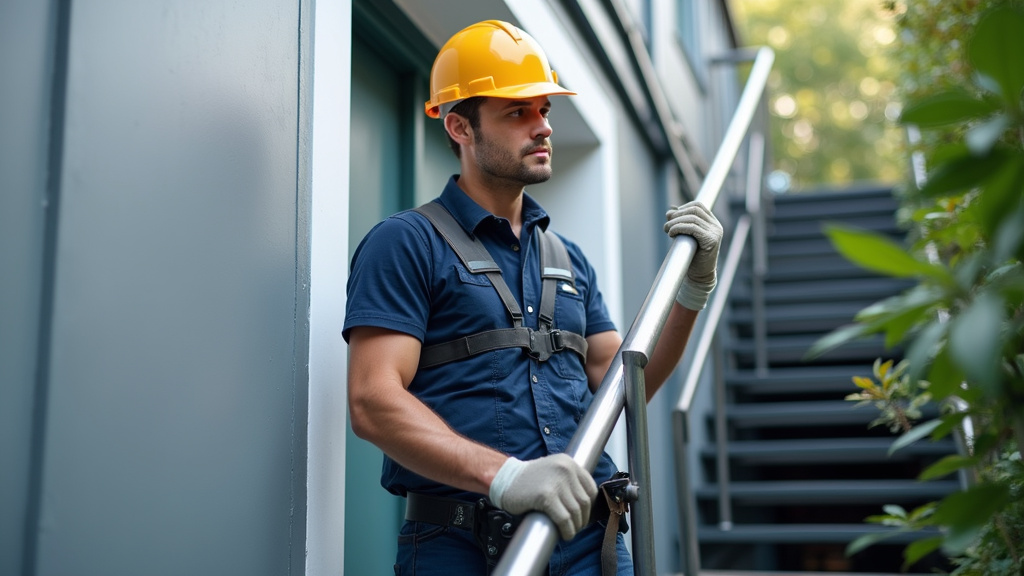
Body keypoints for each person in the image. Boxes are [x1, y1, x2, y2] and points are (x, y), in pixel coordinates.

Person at [344, 19, 723, 576]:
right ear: (460, 127)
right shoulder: (406, 242)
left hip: (591, 542)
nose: (542, 126)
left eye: (544, 109)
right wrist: (508, 477)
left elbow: (626, 386)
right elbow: (373, 400)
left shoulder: (565, 259)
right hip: (463, 546)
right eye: (517, 112)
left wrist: (694, 289)